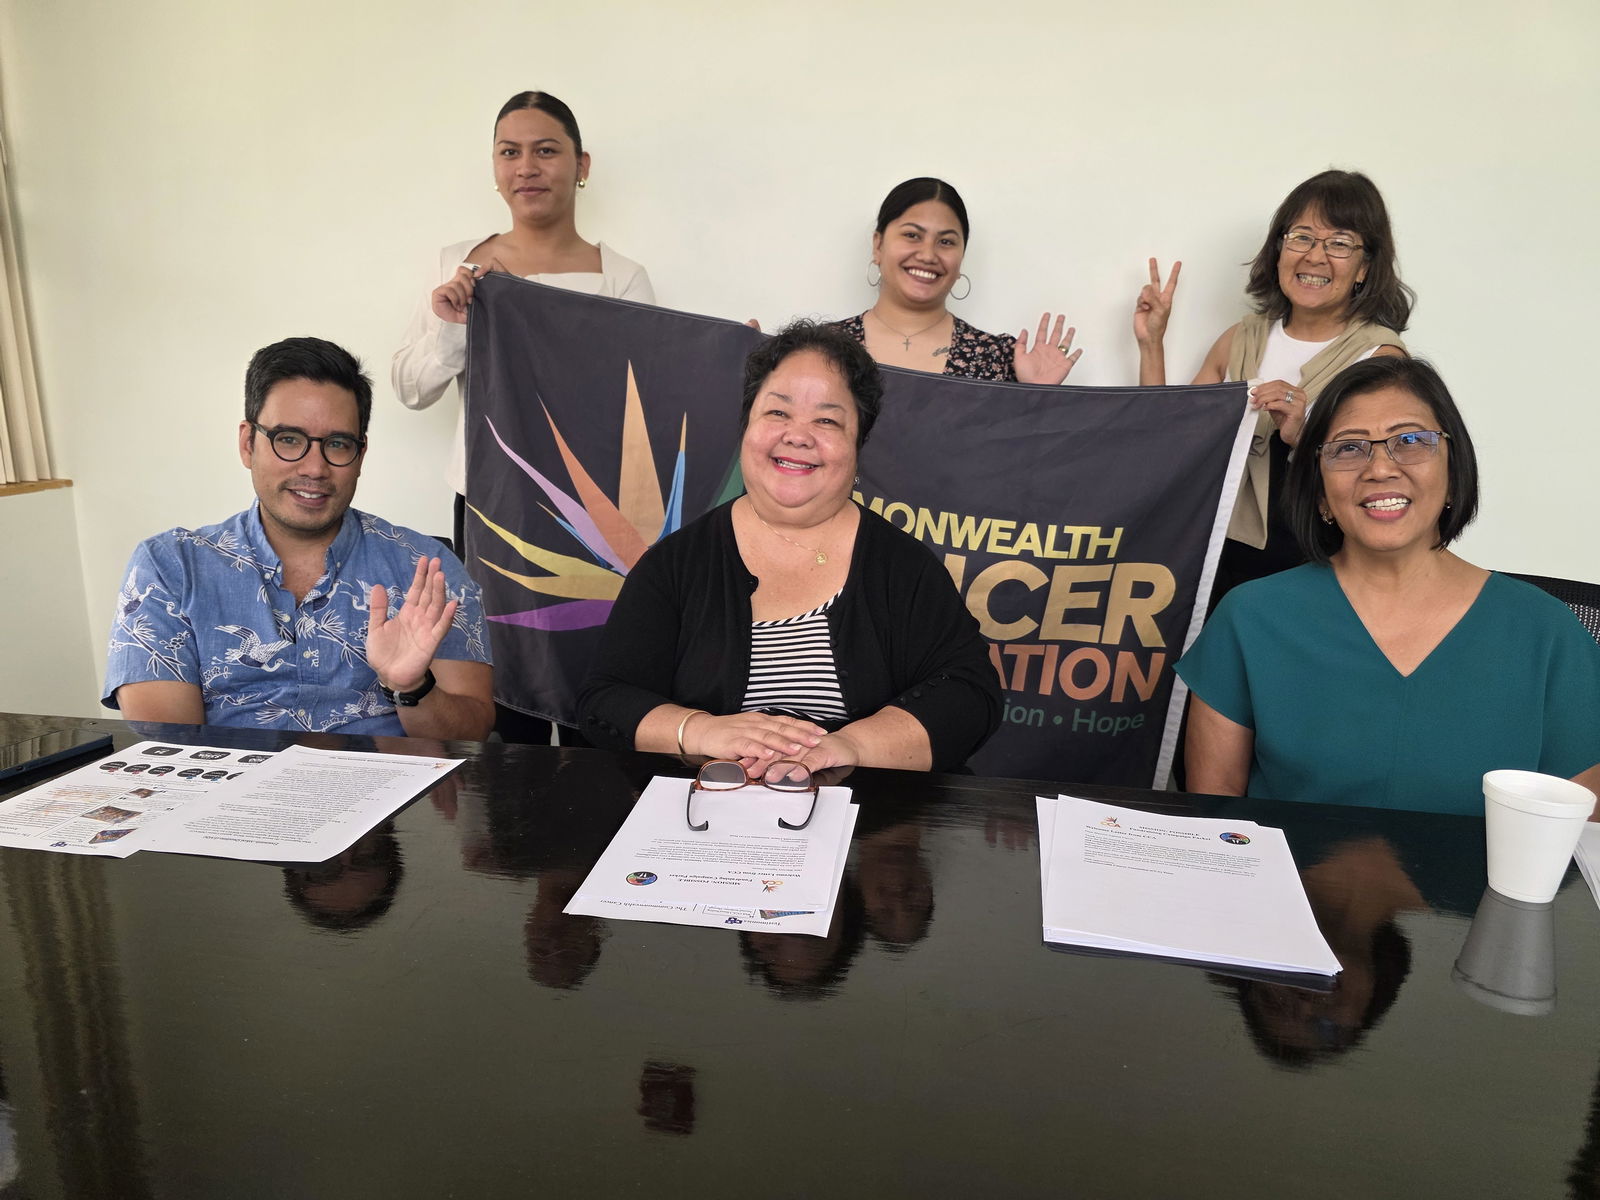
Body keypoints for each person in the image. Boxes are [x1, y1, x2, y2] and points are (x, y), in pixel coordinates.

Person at [1176, 356, 1600, 816]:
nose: (1379, 468)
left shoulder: (1549, 633)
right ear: (1320, 494)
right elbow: (1213, 831)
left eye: (1412, 440)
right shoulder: (1249, 618)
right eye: (1349, 448)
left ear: (1454, 475)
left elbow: (1578, 849)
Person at [577, 320, 1001, 774]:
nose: (797, 435)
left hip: (867, 827)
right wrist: (702, 730)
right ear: (747, 427)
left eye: (827, 419)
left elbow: (970, 692)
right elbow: (606, 700)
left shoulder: (903, 566)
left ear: (857, 446)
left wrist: (852, 747)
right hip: (708, 820)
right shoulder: (676, 563)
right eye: (777, 412)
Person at [105, 337, 494, 740]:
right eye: (289, 439)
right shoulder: (170, 566)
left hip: (390, 791)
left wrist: (412, 687)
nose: (315, 467)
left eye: (337, 444)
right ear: (247, 444)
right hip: (231, 792)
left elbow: (472, 735)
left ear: (360, 456)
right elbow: (168, 743)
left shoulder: (426, 568)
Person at [392, 90, 654, 551]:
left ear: (582, 165)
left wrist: (721, 361)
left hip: (591, 504)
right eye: (510, 152)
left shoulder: (622, 278)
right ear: (494, 166)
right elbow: (410, 389)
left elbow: (645, 404)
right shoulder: (459, 264)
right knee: (489, 626)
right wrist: (454, 328)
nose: (526, 168)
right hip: (486, 500)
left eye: (546, 150)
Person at [1135, 170, 1413, 601]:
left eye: (1339, 243)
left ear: (1365, 268)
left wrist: (1304, 434)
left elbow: (1382, 481)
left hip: (1314, 568)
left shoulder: (1380, 358)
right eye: (1301, 237)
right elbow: (1167, 440)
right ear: (1279, 249)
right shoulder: (1239, 338)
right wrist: (1152, 343)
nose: (1315, 257)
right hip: (1213, 558)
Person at [834, 177, 1079, 383]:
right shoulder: (821, 349)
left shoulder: (999, 358)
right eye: (912, 235)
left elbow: (1022, 440)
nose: (928, 255)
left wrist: (1037, 396)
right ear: (878, 245)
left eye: (946, 242)